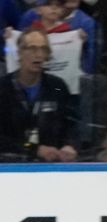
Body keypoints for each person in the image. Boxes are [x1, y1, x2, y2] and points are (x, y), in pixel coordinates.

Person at [0, 27, 76, 161]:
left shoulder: (57, 87)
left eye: (43, 49)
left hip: (50, 165)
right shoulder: (3, 88)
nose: (39, 55)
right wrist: (34, 150)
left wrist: (68, 145)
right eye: (32, 48)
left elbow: (70, 125)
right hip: (10, 165)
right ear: (19, 53)